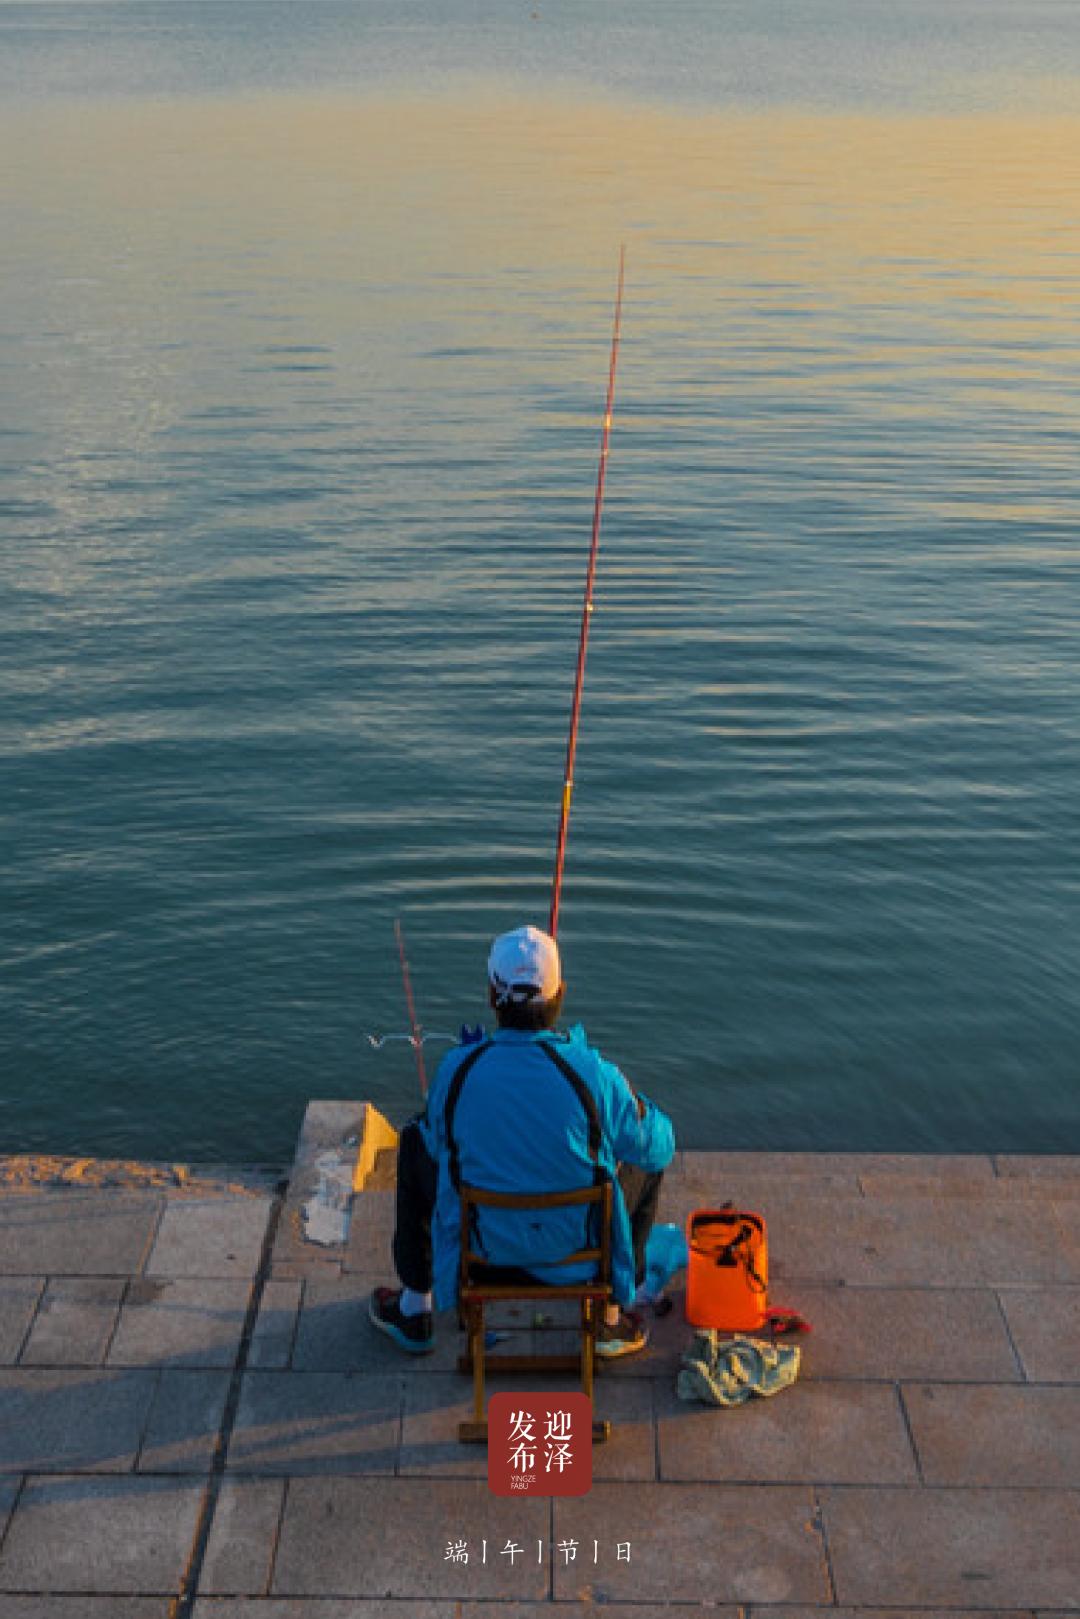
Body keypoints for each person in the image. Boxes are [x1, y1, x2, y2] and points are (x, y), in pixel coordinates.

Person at [369, 923, 676, 1359]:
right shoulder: (595, 1074)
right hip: (580, 1255)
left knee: (415, 1142)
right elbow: (662, 1146)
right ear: (560, 994)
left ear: (492, 996)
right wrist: (628, 1101)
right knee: (644, 1159)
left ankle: (415, 1307)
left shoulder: (457, 1071)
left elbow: (436, 1144)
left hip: (482, 1255)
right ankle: (610, 1317)